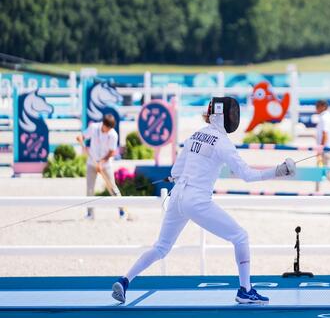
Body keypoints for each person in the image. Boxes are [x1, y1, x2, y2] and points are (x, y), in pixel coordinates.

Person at [111, 97, 296, 305]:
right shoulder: (223, 143)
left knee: (161, 248)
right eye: (233, 114)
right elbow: (247, 175)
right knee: (240, 237)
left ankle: (124, 280)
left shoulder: (195, 135)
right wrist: (279, 171)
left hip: (177, 197)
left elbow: (175, 171)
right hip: (196, 200)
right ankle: (245, 290)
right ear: (224, 116)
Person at [76, 113, 128, 220]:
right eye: (107, 128)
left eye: (110, 129)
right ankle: (90, 214)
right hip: (91, 163)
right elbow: (83, 136)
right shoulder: (93, 128)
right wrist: (80, 138)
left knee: (112, 187)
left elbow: (111, 152)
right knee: (90, 189)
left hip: (106, 164)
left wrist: (101, 163)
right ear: (103, 124)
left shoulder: (113, 134)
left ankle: (122, 211)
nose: (108, 130)